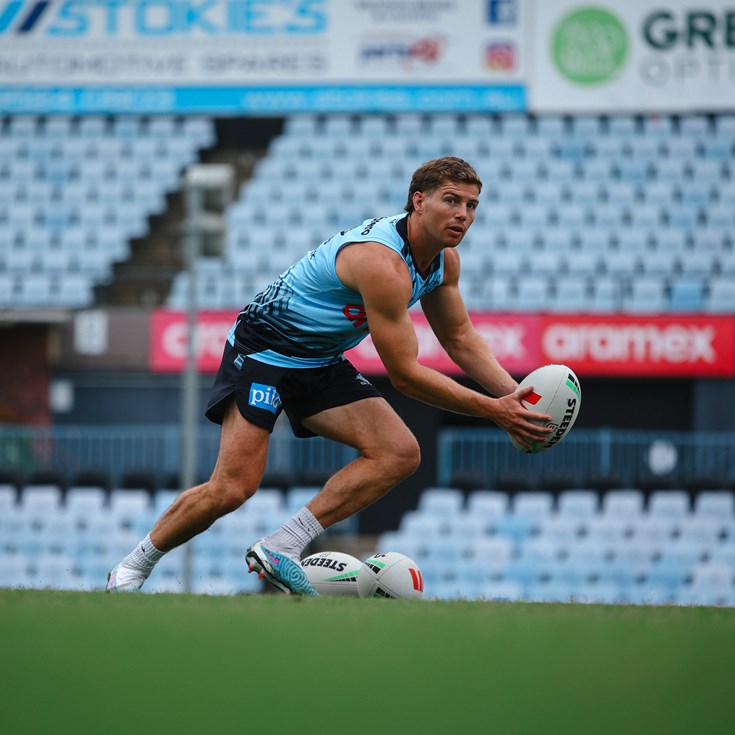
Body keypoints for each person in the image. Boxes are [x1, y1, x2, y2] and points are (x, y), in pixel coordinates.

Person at [106, 156, 553, 595]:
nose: (462, 214)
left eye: (471, 205)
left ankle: (281, 546)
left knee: (399, 453)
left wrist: (518, 397)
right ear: (418, 201)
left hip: (319, 358)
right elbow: (404, 375)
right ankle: (131, 567)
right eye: (451, 200)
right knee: (233, 488)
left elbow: (458, 337)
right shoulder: (383, 263)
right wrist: (495, 411)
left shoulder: (444, 262)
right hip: (264, 351)